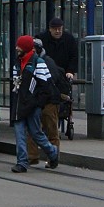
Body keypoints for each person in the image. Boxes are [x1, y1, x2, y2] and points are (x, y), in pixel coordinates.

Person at [30, 17, 78, 162]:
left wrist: (70, 71)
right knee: (38, 126)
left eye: (60, 29)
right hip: (47, 88)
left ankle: (51, 156)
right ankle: (37, 156)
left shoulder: (69, 40)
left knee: (43, 126)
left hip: (59, 81)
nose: (58, 31)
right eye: (55, 29)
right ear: (49, 29)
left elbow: (74, 57)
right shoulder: (41, 41)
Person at [10, 35, 60, 173]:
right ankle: (22, 162)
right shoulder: (17, 63)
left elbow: (46, 88)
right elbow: (16, 86)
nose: (16, 48)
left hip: (32, 107)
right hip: (20, 106)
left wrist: (37, 104)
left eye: (19, 46)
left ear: (26, 48)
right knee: (20, 134)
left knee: (36, 133)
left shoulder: (38, 63)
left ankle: (53, 152)